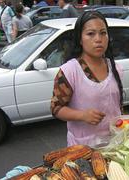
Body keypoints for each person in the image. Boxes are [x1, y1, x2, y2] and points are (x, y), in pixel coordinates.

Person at [50, 11, 123, 147]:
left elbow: (116, 106)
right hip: (83, 147)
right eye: (91, 34)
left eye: (103, 33)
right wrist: (82, 115)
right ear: (80, 39)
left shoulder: (116, 68)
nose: (98, 39)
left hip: (114, 144)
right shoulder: (70, 71)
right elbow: (56, 108)